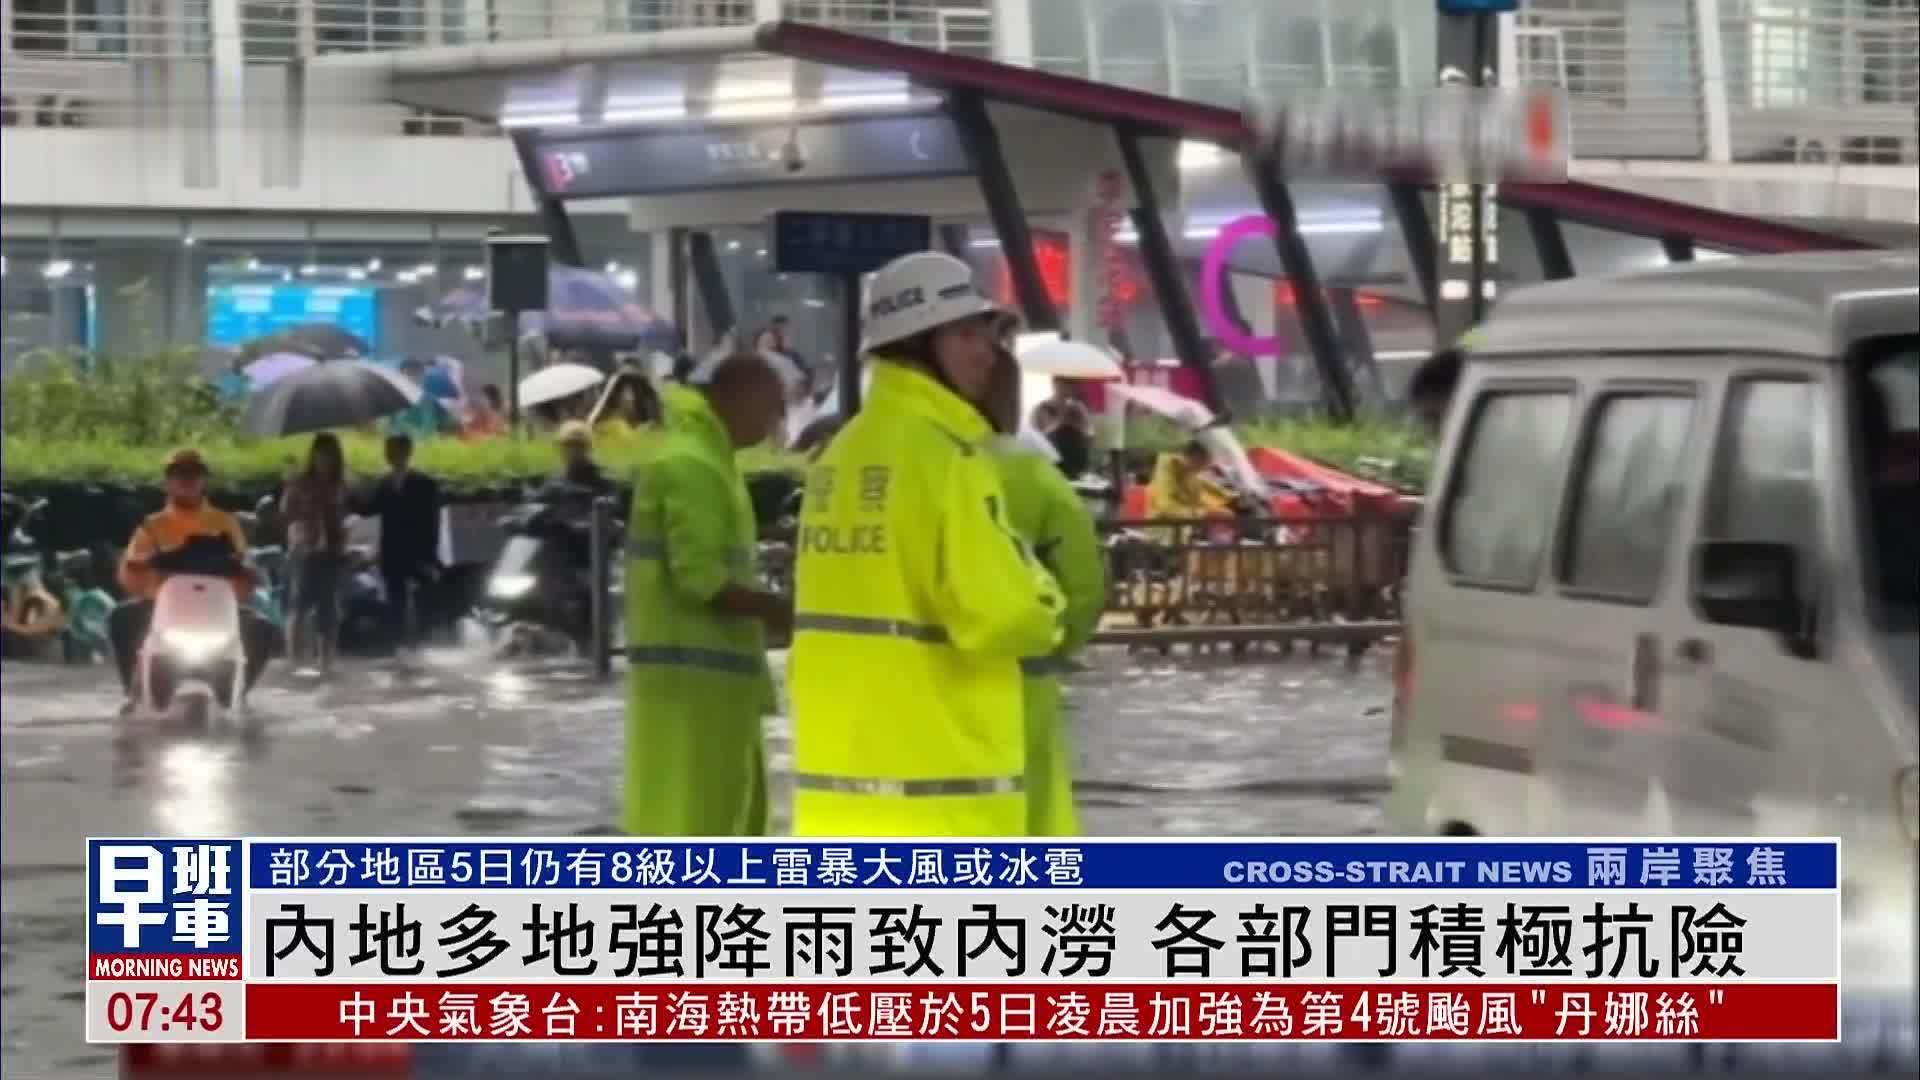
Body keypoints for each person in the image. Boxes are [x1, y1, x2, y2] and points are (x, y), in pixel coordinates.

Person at [788, 251, 1067, 838]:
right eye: (965, 334)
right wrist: (1047, 597)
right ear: (917, 344)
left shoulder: (838, 455)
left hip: (839, 783)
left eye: (986, 333)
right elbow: (1003, 617)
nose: (986, 352)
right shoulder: (948, 458)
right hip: (938, 782)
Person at [623, 350, 791, 836]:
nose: (776, 421)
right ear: (744, 397)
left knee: (723, 819)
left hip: (712, 689)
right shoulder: (692, 465)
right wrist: (781, 610)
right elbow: (701, 579)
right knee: (699, 824)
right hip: (695, 692)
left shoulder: (709, 460)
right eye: (773, 406)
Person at [982, 346, 1108, 835]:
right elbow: (1085, 588)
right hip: (1024, 682)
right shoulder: (1037, 477)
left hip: (921, 688)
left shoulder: (920, 467)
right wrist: (1058, 642)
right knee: (1029, 820)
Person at [108, 449, 281, 710]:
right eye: (180, 474)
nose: (187, 481)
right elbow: (131, 568)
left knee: (263, 628)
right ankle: (131, 694)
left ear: (204, 480)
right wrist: (146, 565)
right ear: (168, 481)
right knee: (120, 618)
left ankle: (241, 693)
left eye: (194, 474)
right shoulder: (151, 526)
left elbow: (244, 566)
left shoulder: (225, 523)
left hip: (217, 611)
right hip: (161, 611)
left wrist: (246, 573)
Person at [352, 435, 443, 653]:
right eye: (389, 451)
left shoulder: (425, 483)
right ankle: (399, 645)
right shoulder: (384, 483)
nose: (391, 455)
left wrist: (430, 555)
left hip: (418, 549)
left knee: (424, 596)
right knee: (396, 600)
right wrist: (351, 492)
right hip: (392, 551)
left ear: (407, 452)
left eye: (396, 450)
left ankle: (423, 641)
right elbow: (369, 509)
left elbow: (432, 521)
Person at [281, 433, 349, 676]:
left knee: (329, 606)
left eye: (330, 455)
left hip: (332, 551)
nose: (325, 460)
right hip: (305, 550)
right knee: (299, 603)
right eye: (321, 454)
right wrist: (290, 488)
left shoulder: (340, 484)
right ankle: (295, 658)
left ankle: (326, 660)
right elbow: (287, 512)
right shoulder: (301, 482)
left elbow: (344, 516)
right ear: (314, 456)